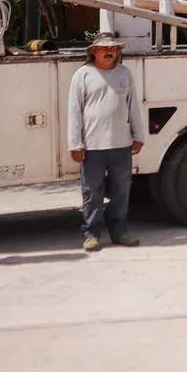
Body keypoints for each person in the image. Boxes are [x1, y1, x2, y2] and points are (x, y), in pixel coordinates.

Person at [67, 32, 143, 252]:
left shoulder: (124, 74)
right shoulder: (82, 75)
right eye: (103, 49)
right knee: (92, 192)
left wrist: (138, 136)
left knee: (121, 191)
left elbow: (133, 107)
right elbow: (74, 112)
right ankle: (92, 235)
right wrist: (75, 144)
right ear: (94, 52)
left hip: (121, 145)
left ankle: (120, 232)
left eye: (113, 49)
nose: (109, 52)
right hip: (92, 147)